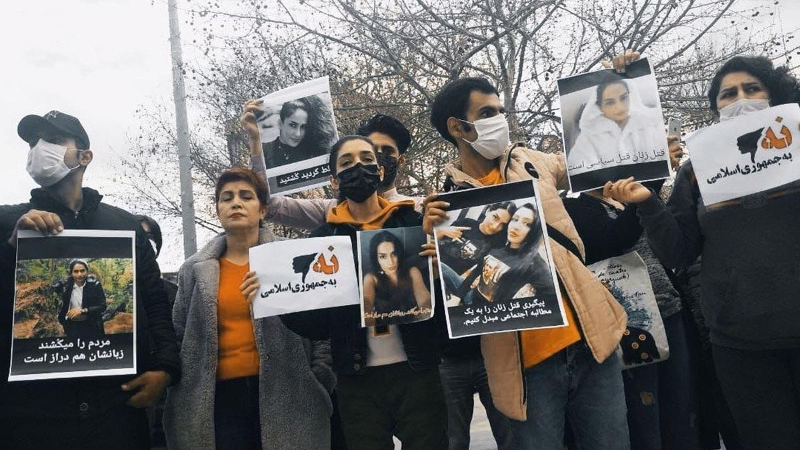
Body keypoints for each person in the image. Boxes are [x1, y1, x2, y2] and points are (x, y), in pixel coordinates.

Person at [603, 51, 800, 450]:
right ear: (716, 108)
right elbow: (678, 251)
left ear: (774, 95)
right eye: (728, 94)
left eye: (751, 88)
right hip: (741, 344)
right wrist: (647, 203)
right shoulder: (697, 171)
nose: (740, 99)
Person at [425, 77, 629, 449]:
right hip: (525, 369)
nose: (500, 120)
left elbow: (600, 159)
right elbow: (451, 292)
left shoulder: (533, 162)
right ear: (457, 127)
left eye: (500, 111)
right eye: (487, 113)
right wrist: (432, 245)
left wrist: (619, 78)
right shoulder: (445, 209)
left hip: (592, 344)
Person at [0, 110, 180, 449]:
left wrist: (166, 369)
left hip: (116, 413)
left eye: (54, 140)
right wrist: (12, 247)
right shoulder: (7, 221)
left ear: (84, 156)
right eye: (33, 142)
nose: (39, 148)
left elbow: (155, 301)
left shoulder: (124, 226)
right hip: (31, 418)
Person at [256, 135, 447, 450]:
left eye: (367, 160)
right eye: (347, 163)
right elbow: (316, 326)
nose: (358, 167)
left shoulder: (414, 223)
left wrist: (440, 273)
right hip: (357, 379)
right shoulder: (322, 241)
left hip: (418, 371)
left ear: (380, 171)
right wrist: (275, 298)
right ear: (334, 180)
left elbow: (446, 303)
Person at [163, 168, 333, 450]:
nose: (236, 203)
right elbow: (179, 334)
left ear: (263, 209)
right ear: (218, 209)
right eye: (226, 198)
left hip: (290, 393)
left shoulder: (295, 257)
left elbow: (322, 326)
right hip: (218, 403)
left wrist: (319, 378)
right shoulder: (193, 270)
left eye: (246, 196)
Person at [242, 102, 424, 230]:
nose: (378, 157)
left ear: (399, 161)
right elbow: (269, 205)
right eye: (372, 151)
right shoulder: (331, 211)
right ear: (334, 180)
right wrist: (256, 141)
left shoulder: (418, 209)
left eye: (387, 151)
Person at [567, 77, 666, 175]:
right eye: (610, 103)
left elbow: (663, 159)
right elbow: (578, 169)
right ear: (599, 107)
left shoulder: (650, 126)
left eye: (624, 98)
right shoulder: (589, 137)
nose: (620, 107)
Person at [362, 230, 432, 326]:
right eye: (383, 256)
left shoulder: (412, 271)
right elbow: (366, 302)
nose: (390, 262)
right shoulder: (371, 278)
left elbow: (425, 300)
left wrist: (426, 315)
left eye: (393, 254)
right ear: (376, 258)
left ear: (399, 253)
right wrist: (368, 319)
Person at [436, 201, 514, 275]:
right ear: (488, 211)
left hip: (450, 277)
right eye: (495, 217)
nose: (495, 226)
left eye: (502, 224)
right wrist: (443, 231)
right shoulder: (466, 223)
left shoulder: (495, 245)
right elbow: (435, 240)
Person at [260, 95, 336, 168]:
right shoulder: (263, 151)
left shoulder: (313, 152)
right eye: (292, 125)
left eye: (303, 127)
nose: (298, 134)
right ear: (280, 124)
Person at [57, 258, 107, 339]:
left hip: (91, 324)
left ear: (87, 272)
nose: (79, 274)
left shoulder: (95, 285)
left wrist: (83, 311)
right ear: (71, 273)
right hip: (71, 325)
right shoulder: (66, 285)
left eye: (82, 271)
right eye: (76, 271)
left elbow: (103, 306)